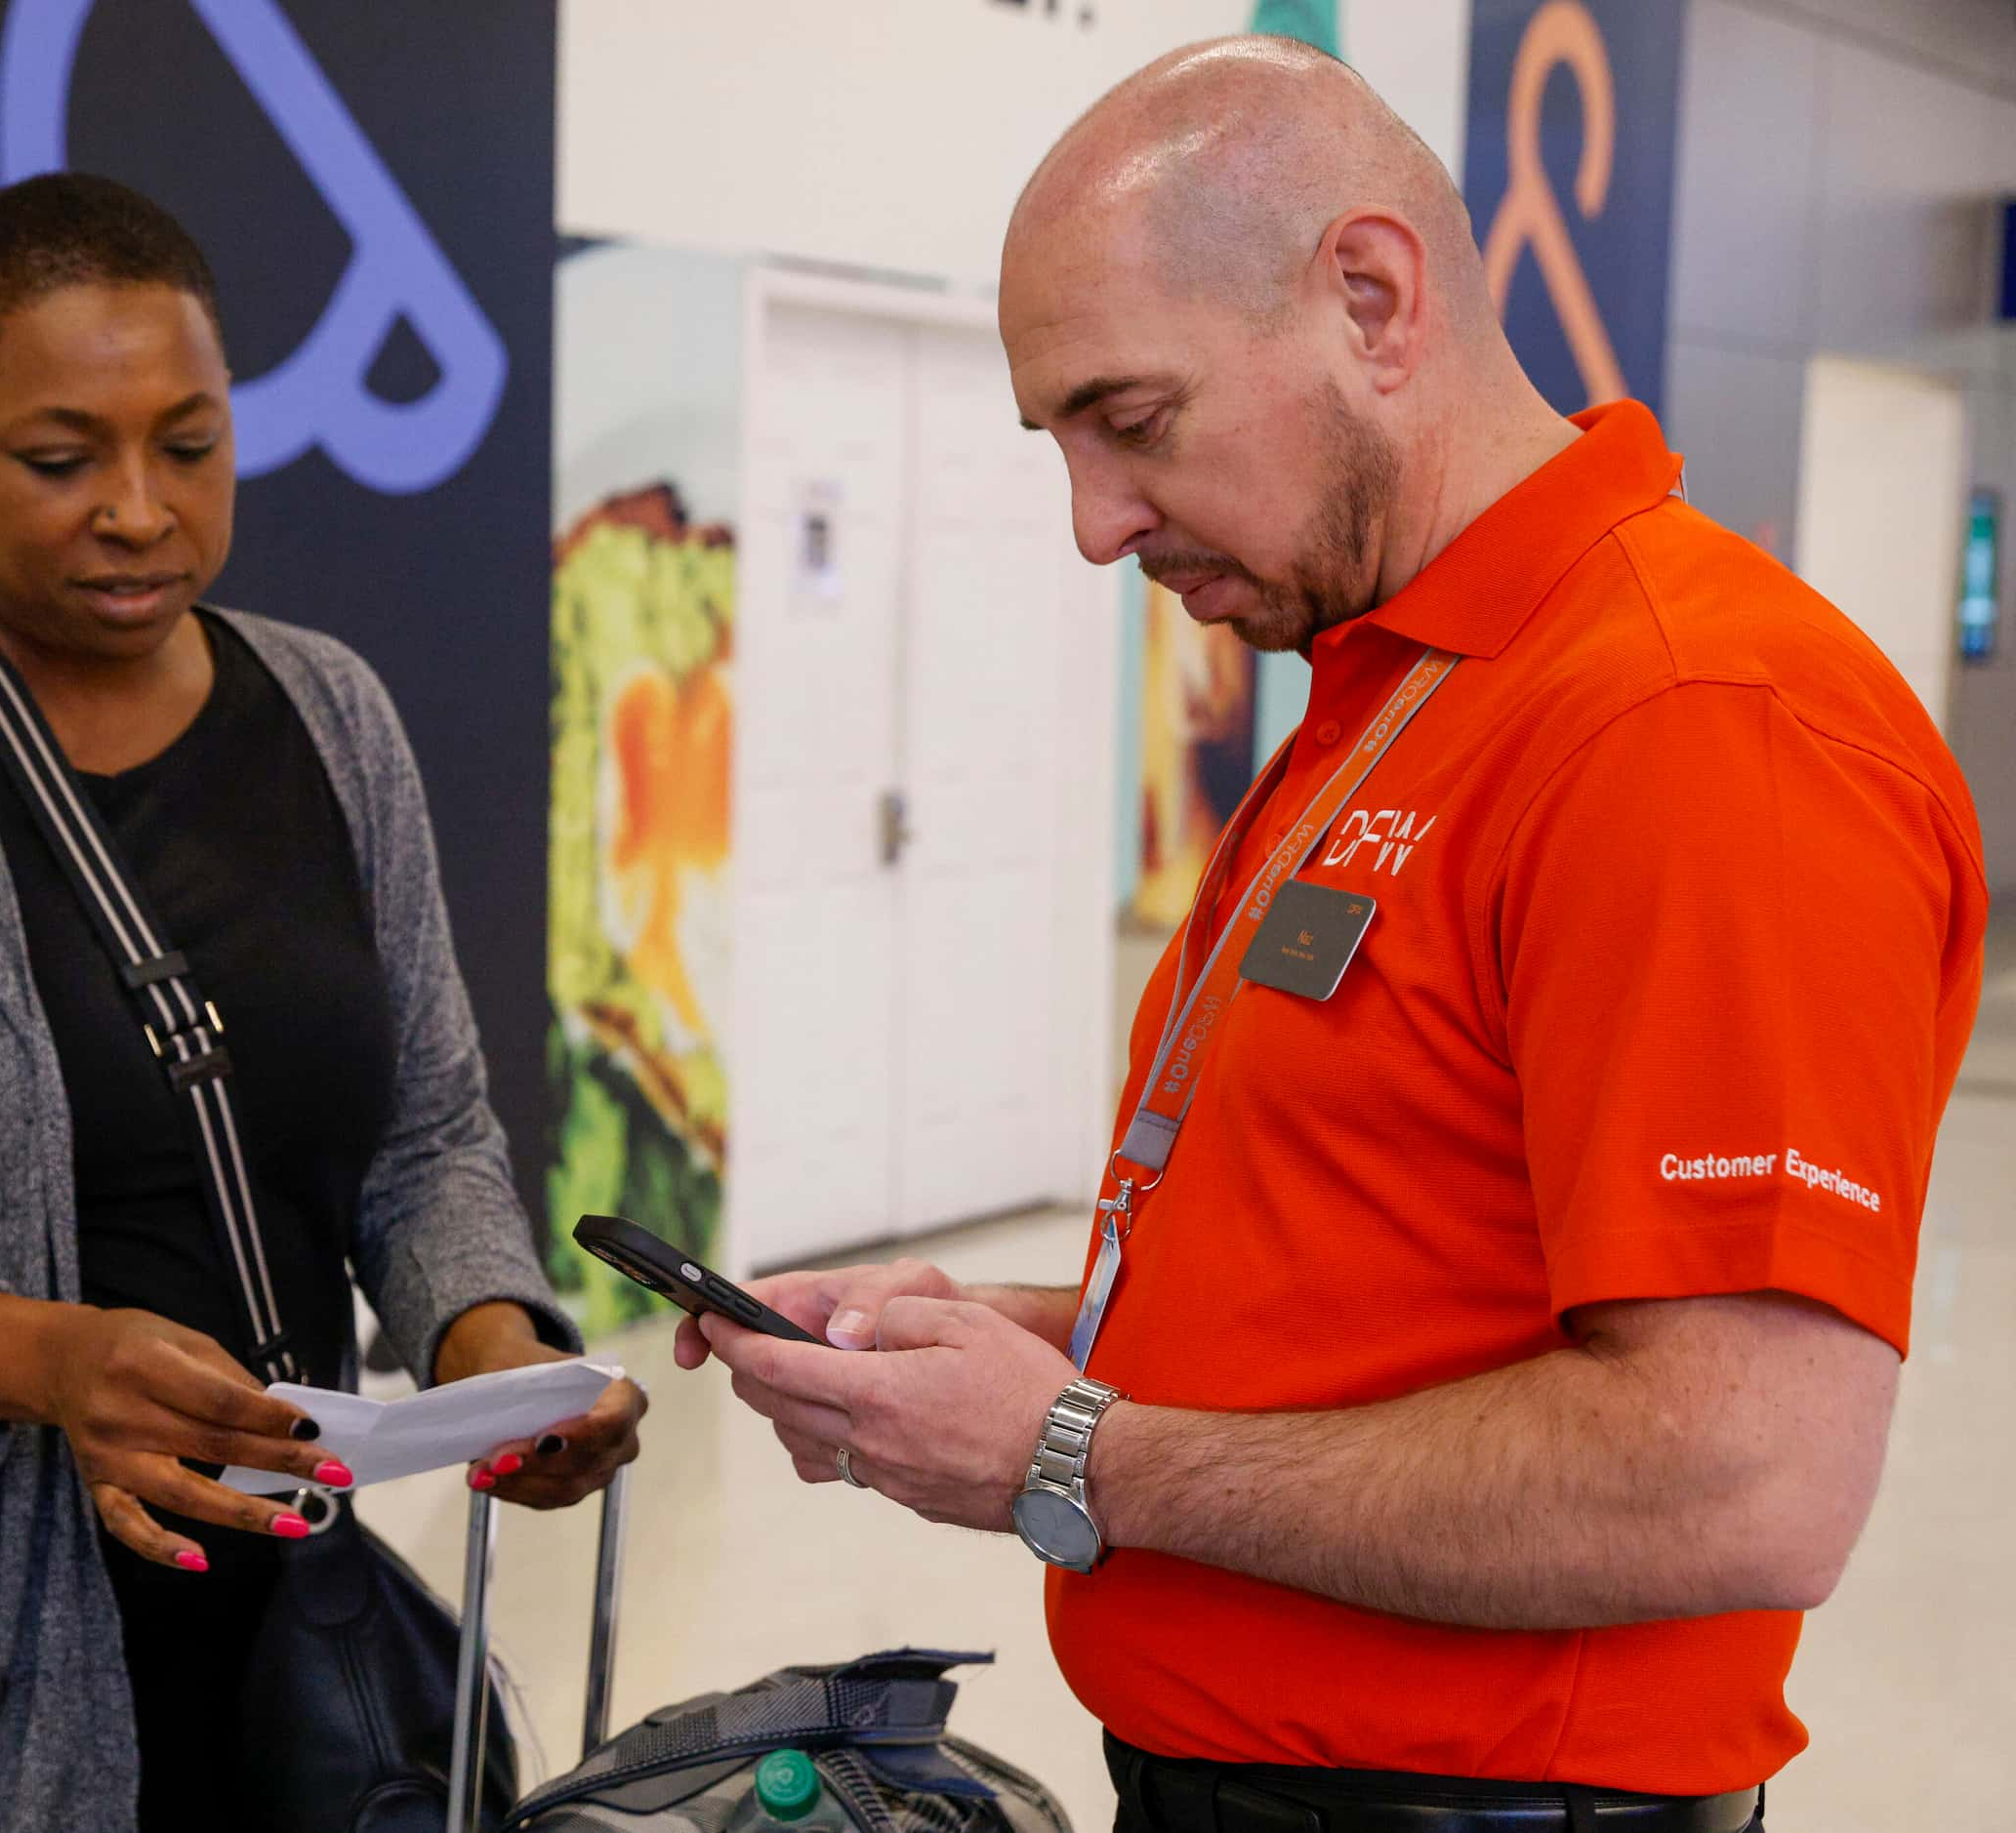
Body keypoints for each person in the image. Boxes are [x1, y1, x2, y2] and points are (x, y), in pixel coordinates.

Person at [684, 37, 1987, 1833]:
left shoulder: (1695, 722)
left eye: (1133, 423)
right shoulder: (1401, 686)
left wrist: (1070, 1452)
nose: (1093, 524)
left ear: (1372, 299)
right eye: (1059, 443)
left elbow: (1737, 1478)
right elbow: (1372, 1284)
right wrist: (1010, 1345)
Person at [0, 172, 642, 1831]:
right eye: (59, 455)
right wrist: (44, 1358)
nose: (140, 509)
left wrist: (489, 1344)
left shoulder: (331, 712)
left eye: (189, 442)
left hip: (271, 1646)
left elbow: (425, 1132)